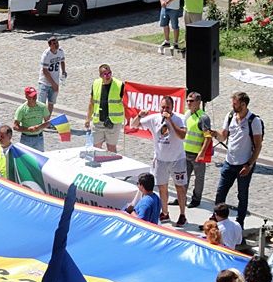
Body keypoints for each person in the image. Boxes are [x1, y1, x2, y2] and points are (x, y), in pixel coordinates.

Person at [131, 96, 187, 226]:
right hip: (160, 159)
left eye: (167, 107)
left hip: (177, 159)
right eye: (163, 107)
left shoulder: (180, 118)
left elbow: (182, 135)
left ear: (172, 108)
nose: (165, 109)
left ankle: (182, 214)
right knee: (162, 187)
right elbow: (133, 125)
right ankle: (165, 212)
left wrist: (170, 122)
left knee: (180, 187)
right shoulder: (154, 118)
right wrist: (139, 115)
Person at [212, 91, 263, 229]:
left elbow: (258, 146)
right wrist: (214, 134)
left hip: (244, 164)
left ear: (243, 104)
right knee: (220, 192)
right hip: (229, 162)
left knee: (242, 195)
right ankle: (216, 219)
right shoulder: (230, 116)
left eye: (235, 104)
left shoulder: (254, 121)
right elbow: (223, 136)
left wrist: (249, 164)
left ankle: (240, 223)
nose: (233, 106)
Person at [181, 92, 211, 207]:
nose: (188, 103)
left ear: (198, 102)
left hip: (197, 154)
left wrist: (202, 152)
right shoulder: (187, 114)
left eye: (191, 101)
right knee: (183, 177)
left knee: (199, 178)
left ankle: (196, 199)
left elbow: (207, 137)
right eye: (187, 100)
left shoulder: (203, 118)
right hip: (185, 152)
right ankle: (181, 197)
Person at [85, 64, 123, 153]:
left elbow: (126, 102)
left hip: (113, 122)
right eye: (105, 74)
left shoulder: (119, 85)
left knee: (111, 148)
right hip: (98, 122)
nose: (108, 76)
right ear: (100, 76)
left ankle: (113, 166)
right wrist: (88, 118)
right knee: (96, 147)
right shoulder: (96, 83)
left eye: (109, 73)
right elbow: (91, 102)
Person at [13, 86, 50, 152]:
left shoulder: (42, 107)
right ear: (26, 97)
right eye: (31, 97)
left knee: (40, 159)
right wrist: (28, 129)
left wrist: (39, 127)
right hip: (26, 138)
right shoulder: (21, 109)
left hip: (39, 138)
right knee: (25, 160)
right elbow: (15, 126)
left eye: (35, 96)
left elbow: (48, 122)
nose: (33, 98)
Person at [38, 36, 66, 114]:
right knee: (41, 104)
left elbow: (62, 61)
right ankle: (39, 121)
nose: (56, 45)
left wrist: (63, 71)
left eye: (57, 42)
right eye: (54, 43)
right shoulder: (46, 55)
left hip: (55, 81)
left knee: (51, 102)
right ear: (50, 45)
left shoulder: (60, 51)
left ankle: (47, 120)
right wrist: (53, 84)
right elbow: (45, 71)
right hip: (44, 82)